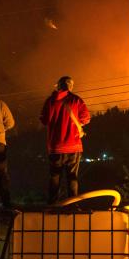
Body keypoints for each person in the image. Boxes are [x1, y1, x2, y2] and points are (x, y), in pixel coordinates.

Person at [40, 76, 90, 204]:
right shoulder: (76, 100)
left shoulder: (50, 101)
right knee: (72, 177)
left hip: (55, 147)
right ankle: (73, 205)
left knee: (54, 177)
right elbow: (86, 119)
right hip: (73, 147)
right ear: (71, 86)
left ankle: (52, 205)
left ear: (58, 86)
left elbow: (44, 120)